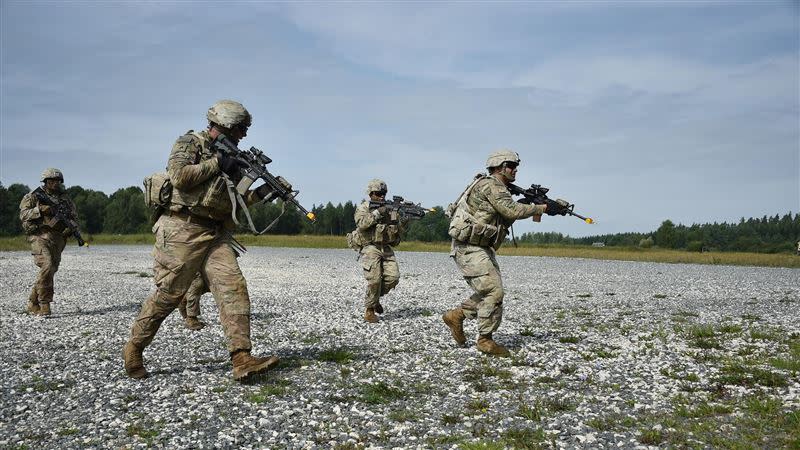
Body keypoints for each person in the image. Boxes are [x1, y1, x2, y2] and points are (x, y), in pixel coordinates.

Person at [122, 99, 289, 382]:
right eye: (239, 128)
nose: (243, 134)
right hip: (181, 229)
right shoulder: (190, 143)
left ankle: (241, 357)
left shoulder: (235, 158)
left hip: (214, 232)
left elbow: (237, 202)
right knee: (169, 294)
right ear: (222, 124)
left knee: (232, 287)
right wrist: (218, 163)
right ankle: (135, 347)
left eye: (245, 129)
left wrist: (265, 193)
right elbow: (180, 177)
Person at [442, 150, 547, 356]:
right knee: (494, 291)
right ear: (499, 166)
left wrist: (543, 206)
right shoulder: (491, 185)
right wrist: (539, 208)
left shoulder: (499, 188)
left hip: (480, 247)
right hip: (468, 246)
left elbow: (506, 214)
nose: (515, 169)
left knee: (488, 290)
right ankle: (485, 340)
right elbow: (512, 211)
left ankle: (456, 316)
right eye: (511, 165)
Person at [19, 168, 81, 316]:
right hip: (39, 235)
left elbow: (74, 217)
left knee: (50, 270)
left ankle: (32, 301)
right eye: (51, 181)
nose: (54, 183)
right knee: (46, 265)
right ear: (45, 182)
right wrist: (40, 210)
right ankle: (44, 304)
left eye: (57, 181)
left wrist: (71, 228)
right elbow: (23, 215)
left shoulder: (65, 200)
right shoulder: (33, 197)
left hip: (58, 238)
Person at [351, 179, 407, 323]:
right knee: (374, 279)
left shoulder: (390, 209)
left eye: (384, 193)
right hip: (370, 246)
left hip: (386, 247)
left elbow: (396, 232)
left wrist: (400, 219)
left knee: (393, 278)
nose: (381, 196)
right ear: (371, 194)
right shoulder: (364, 207)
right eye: (378, 193)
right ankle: (369, 310)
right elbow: (361, 224)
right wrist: (377, 213)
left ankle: (374, 299)